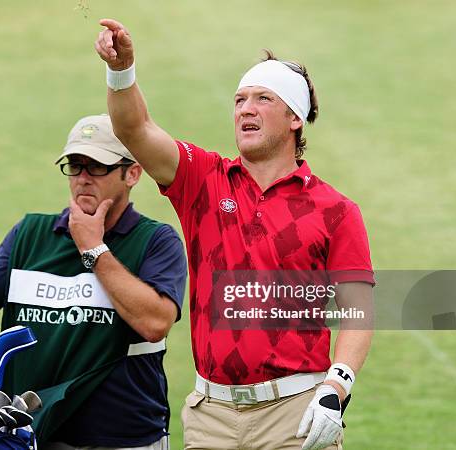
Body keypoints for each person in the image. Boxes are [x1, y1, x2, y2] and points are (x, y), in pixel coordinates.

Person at [95, 19, 374, 450]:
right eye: (240, 100)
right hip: (211, 417)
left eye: (263, 99)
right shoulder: (202, 180)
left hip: (295, 412)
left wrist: (337, 386)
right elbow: (135, 130)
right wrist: (122, 71)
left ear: (295, 118)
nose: (246, 108)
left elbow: (359, 310)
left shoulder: (335, 211)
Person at [0, 114, 187, 450]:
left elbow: (154, 322)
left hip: (121, 439)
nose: (84, 178)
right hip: (27, 432)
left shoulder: (156, 241)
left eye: (97, 166)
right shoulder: (30, 234)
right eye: (75, 166)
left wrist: (93, 249)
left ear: (132, 173)